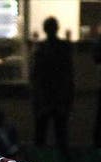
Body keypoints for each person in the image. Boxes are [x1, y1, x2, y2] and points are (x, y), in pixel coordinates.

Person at [30, 17, 74, 151]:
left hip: (44, 94)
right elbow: (68, 73)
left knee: (41, 132)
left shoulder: (40, 49)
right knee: (60, 132)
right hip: (60, 94)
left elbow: (35, 73)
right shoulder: (64, 47)